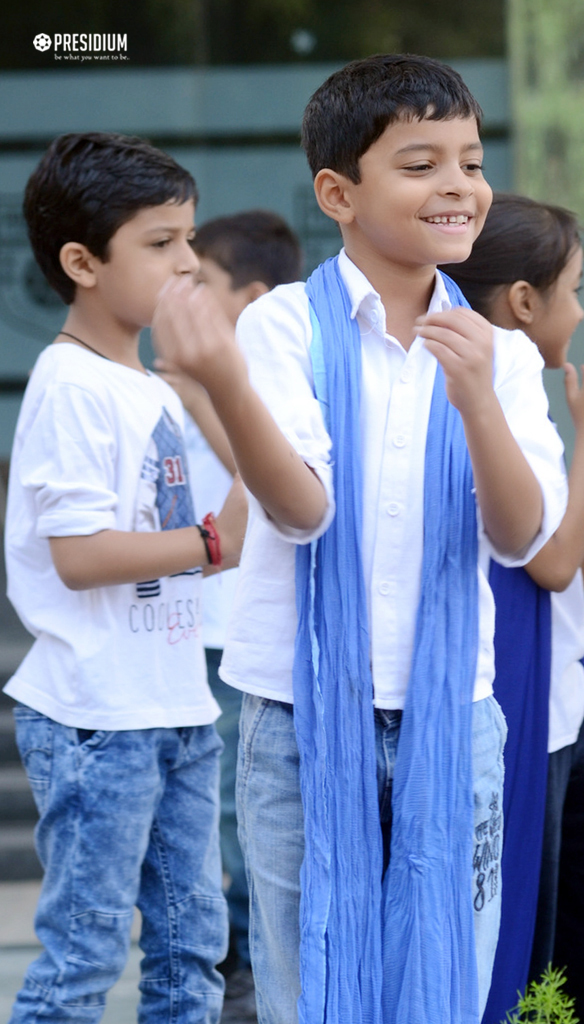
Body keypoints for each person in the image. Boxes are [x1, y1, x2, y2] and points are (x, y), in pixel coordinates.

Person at [152, 54, 569, 1024]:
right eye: (420, 163)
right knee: (308, 987)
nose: (459, 185)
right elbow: (300, 510)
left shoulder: (497, 356)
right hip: (296, 715)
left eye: (469, 160)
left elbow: (520, 539)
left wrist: (474, 402)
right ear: (337, 192)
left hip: (454, 715)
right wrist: (224, 382)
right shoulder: (283, 326)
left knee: (445, 982)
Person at [4, 131, 247, 1024]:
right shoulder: (72, 386)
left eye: (189, 237)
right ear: (82, 262)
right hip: (97, 716)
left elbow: (246, 512)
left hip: (174, 705)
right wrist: (210, 548)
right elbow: (83, 556)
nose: (188, 261)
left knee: (191, 949)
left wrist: (208, 387)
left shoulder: (146, 381)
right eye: (161, 242)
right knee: (86, 950)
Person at [444, 192, 584, 1024]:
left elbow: (577, 564)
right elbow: (549, 563)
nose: (582, 308)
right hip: (519, 708)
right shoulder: (494, 391)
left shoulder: (516, 389)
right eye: (573, 288)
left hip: (559, 706)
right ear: (522, 302)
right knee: (536, 942)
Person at [156, 210, 303, 1024]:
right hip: (197, 625)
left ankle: (247, 961)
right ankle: (226, 956)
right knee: (212, 805)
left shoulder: (277, 372)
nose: (183, 293)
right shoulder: (177, 382)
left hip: (245, 630)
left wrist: (211, 389)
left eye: (199, 282)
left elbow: (267, 477)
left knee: (242, 806)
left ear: (251, 297)